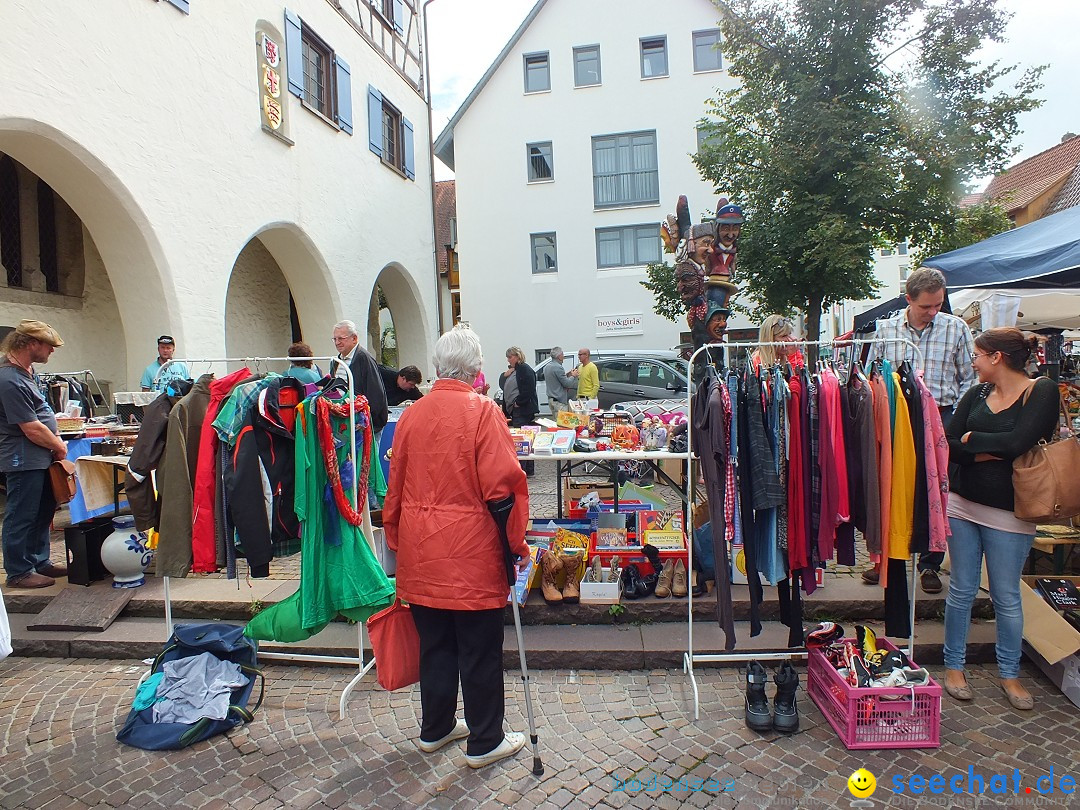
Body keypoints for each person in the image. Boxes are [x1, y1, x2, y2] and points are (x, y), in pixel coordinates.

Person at [384, 325, 530, 769]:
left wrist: (397, 538)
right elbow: (503, 489)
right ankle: (485, 740)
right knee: (479, 649)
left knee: (436, 645)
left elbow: (396, 487)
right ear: (476, 369)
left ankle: (437, 727)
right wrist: (516, 546)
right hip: (471, 556)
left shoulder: (410, 415)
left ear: (437, 366)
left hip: (422, 551)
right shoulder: (483, 412)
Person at [942, 327, 1059, 711]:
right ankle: (954, 667)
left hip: (1011, 510)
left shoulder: (1040, 391)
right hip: (962, 502)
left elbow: (1017, 443)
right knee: (960, 590)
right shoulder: (976, 394)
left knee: (1006, 596)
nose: (972, 362)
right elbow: (948, 443)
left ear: (996, 357)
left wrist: (974, 441)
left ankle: (1010, 673)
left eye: (977, 355)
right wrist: (979, 450)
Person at [867, 268, 976, 593]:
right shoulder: (886, 329)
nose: (933, 312)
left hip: (942, 417)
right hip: (898, 417)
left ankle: (930, 563)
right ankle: (888, 558)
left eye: (938, 305)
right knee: (894, 485)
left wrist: (959, 422)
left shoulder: (955, 327)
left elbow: (970, 378)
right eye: (927, 306)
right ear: (910, 299)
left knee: (936, 490)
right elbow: (873, 374)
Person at [0, 320, 69, 589]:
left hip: (37, 456)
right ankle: (18, 570)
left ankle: (39, 560)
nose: (51, 352)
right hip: (23, 457)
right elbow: (30, 427)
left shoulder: (26, 372)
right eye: (48, 346)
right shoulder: (8, 379)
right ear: (31, 344)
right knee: (22, 514)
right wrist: (59, 446)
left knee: (42, 510)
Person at [329, 320, 388, 436]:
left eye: (341, 338)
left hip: (363, 425)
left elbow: (375, 393)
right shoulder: (337, 361)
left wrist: (367, 421)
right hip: (344, 423)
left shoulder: (364, 359)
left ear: (354, 338)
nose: (337, 342)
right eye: (335, 339)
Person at [500, 346, 538, 476]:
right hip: (517, 410)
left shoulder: (525, 370)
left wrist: (518, 402)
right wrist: (504, 376)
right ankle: (526, 469)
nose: (508, 359)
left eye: (510, 357)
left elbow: (529, 389)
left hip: (523, 409)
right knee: (524, 438)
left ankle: (525, 470)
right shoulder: (514, 370)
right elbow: (503, 384)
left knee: (523, 439)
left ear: (517, 356)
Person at [542, 347, 577, 414]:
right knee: (562, 423)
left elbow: (557, 380)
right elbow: (567, 384)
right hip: (559, 402)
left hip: (551, 400)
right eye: (562, 354)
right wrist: (573, 376)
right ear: (559, 356)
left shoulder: (547, 367)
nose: (563, 357)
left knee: (556, 422)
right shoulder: (558, 367)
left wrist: (568, 374)